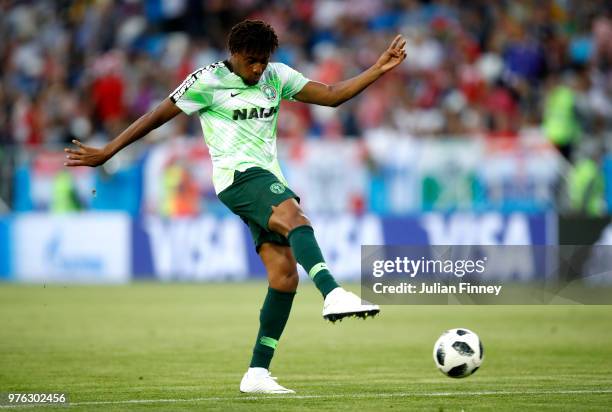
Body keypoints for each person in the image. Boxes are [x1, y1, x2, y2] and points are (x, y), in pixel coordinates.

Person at [64, 20, 407, 394]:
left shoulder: (276, 76)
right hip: (236, 177)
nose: (257, 68)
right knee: (294, 215)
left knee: (284, 276)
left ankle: (256, 374)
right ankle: (332, 292)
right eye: (251, 61)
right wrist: (108, 150)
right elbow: (155, 117)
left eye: (263, 61)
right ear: (235, 54)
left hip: (263, 175)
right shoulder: (206, 81)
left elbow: (331, 94)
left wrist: (377, 69)